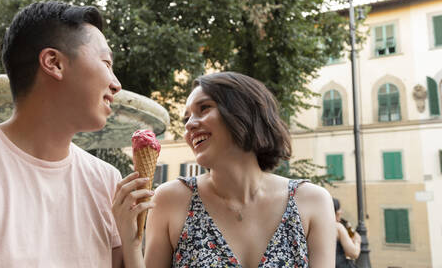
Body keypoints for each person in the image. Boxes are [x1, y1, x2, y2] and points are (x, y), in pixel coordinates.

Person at [0, 1, 131, 267]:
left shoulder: (107, 182)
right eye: (106, 63)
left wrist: (133, 241)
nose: (116, 84)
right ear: (54, 63)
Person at [113, 71, 336, 267]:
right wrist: (132, 245)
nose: (189, 125)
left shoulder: (312, 201)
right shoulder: (170, 199)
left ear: (244, 112)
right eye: (186, 118)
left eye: (204, 108)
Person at [333, 198, 361, 267]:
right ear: (335, 212)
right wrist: (357, 241)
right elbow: (353, 253)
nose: (341, 212)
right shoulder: (338, 227)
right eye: (339, 209)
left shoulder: (317, 226)